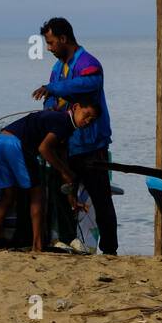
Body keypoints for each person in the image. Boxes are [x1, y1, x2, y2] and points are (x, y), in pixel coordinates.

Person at [32, 17, 119, 255]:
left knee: (101, 200)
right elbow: (50, 96)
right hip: (66, 145)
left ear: (63, 38)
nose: (48, 48)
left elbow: (88, 84)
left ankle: (110, 250)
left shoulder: (89, 63)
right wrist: (50, 107)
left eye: (50, 43)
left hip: (92, 145)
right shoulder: (57, 69)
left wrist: (54, 89)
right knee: (62, 194)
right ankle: (67, 241)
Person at [0, 95, 96, 252]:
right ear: (76, 107)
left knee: (8, 196)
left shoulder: (65, 128)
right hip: (17, 144)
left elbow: (64, 168)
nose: (88, 121)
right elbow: (44, 149)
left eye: (92, 119)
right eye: (87, 114)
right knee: (38, 195)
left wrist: (72, 199)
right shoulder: (63, 122)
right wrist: (64, 171)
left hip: (0, 142)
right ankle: (37, 246)